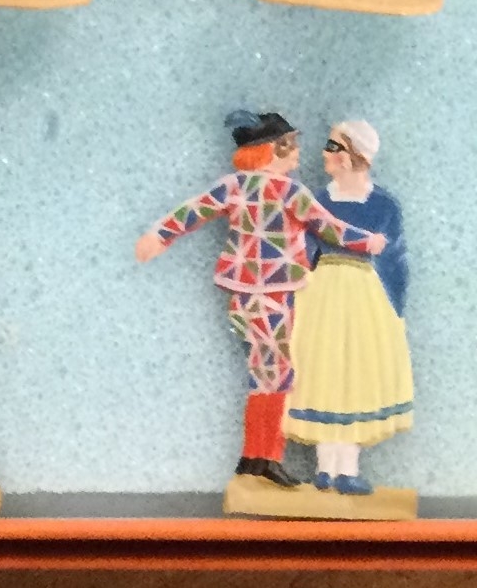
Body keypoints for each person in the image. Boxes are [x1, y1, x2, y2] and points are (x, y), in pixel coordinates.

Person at [136, 111, 385, 489]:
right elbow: (328, 227)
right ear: (275, 150)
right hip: (271, 294)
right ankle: (265, 457)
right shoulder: (288, 192)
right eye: (292, 146)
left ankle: (254, 458)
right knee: (277, 375)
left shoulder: (234, 186)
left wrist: (161, 236)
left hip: (242, 294)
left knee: (265, 373)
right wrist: (369, 242)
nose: (298, 153)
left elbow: (194, 211)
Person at [283, 120, 412, 496]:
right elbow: (302, 250)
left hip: (363, 294)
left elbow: (395, 258)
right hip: (321, 292)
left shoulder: (383, 204)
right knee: (323, 368)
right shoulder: (317, 202)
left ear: (352, 154)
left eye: (332, 146)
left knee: (357, 371)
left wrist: (396, 306)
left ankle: (347, 469)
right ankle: (325, 467)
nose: (324, 153)